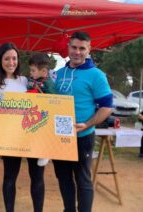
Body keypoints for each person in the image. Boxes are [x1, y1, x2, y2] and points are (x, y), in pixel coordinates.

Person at [53, 31, 113, 212]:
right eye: (74, 47)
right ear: (68, 47)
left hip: (83, 136)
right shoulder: (58, 74)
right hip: (60, 136)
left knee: (83, 180)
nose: (77, 52)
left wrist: (87, 124)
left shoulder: (97, 75)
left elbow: (107, 107)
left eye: (82, 48)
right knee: (63, 178)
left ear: (89, 50)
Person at [0, 43, 45, 212]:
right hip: (10, 138)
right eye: (7, 58)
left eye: (14, 58)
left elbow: (38, 103)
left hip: (31, 135)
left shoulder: (25, 81)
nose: (11, 62)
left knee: (37, 178)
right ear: (0, 60)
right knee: (10, 177)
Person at [27, 52, 56, 167]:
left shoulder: (48, 84)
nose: (30, 72)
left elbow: (55, 100)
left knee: (43, 133)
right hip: (32, 112)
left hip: (44, 114)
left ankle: (45, 152)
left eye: (33, 70)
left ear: (44, 72)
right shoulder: (30, 80)